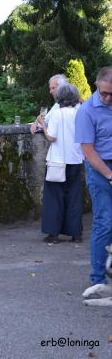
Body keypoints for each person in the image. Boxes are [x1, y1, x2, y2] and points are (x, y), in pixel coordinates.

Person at [75, 66, 112, 287]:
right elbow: (88, 151)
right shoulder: (86, 111)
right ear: (96, 86)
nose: (107, 98)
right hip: (100, 168)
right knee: (105, 222)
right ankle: (98, 279)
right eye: (104, 92)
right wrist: (109, 175)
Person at [38, 83, 83, 244]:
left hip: (58, 160)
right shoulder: (80, 112)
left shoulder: (57, 114)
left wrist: (43, 125)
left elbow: (51, 137)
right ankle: (76, 233)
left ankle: (53, 233)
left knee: (54, 198)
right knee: (74, 196)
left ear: (59, 97)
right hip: (76, 159)